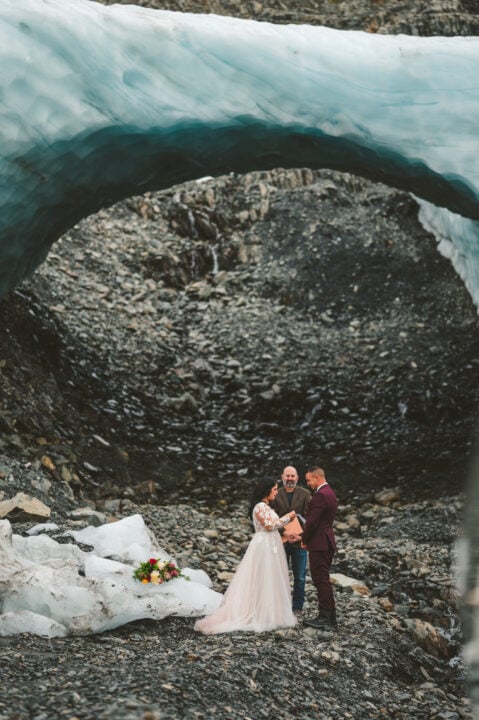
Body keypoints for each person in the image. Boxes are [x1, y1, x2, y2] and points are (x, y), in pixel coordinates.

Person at [194, 478, 297, 635]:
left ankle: (269, 611)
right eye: (275, 489)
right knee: (262, 577)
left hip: (270, 544)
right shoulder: (260, 506)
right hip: (263, 545)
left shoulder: (266, 506)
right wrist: (288, 517)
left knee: (271, 577)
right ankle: (258, 612)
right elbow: (270, 526)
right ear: (266, 490)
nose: (277, 492)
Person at [300, 466, 338, 630]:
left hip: (319, 543)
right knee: (323, 579)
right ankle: (328, 616)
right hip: (326, 541)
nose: (308, 483)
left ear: (317, 478)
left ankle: (327, 618)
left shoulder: (321, 495)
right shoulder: (330, 492)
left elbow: (312, 522)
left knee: (320, 580)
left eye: (309, 480)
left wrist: (304, 539)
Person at [272, 465, 311, 615]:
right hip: (280, 540)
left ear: (297, 478)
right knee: (279, 575)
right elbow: (272, 517)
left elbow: (311, 517)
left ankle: (297, 607)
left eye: (292, 476)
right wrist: (285, 531)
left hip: (300, 541)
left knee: (300, 577)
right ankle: (280, 606)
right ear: (282, 477)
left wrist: (303, 535)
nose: (289, 479)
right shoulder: (276, 493)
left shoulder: (306, 494)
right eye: (287, 476)